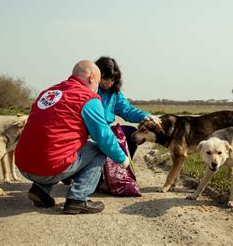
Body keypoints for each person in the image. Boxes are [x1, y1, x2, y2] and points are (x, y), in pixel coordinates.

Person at [15, 60, 129, 214]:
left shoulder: (48, 92)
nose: (98, 86)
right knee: (100, 149)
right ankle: (78, 198)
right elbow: (104, 137)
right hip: (48, 168)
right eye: (98, 80)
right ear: (91, 78)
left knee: (55, 144)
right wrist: (122, 158)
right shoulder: (88, 98)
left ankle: (40, 190)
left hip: (24, 164)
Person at [95, 56, 161, 158]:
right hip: (91, 132)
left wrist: (145, 116)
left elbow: (127, 110)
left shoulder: (114, 93)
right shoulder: (88, 89)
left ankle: (124, 167)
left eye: (112, 80)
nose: (109, 83)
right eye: (105, 78)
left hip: (106, 131)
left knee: (131, 133)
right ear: (96, 75)